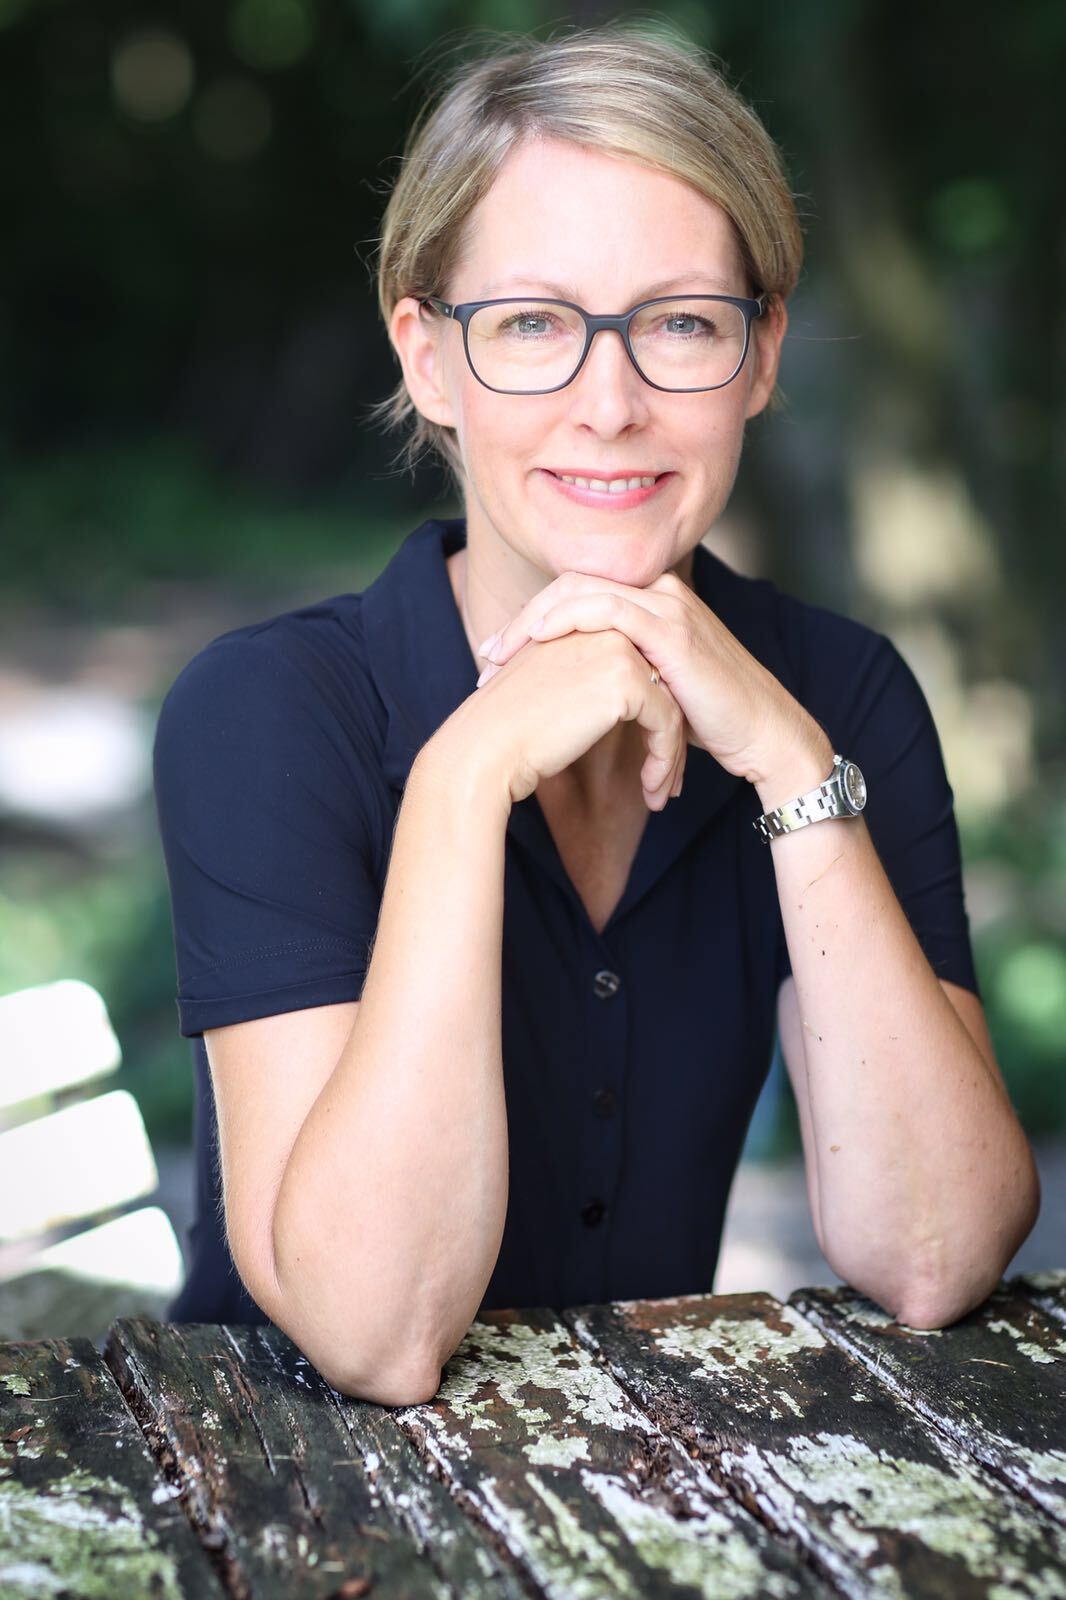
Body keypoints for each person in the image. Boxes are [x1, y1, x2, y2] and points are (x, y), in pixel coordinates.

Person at [152, 21, 1039, 1406]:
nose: (610, 404)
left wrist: (789, 759)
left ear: (759, 355)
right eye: (532, 326)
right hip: (272, 1491)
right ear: (429, 357)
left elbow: (931, 1254)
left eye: (682, 321)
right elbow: (375, 1335)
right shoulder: (268, 711)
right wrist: (462, 781)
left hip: (652, 1494)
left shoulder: (839, 691)